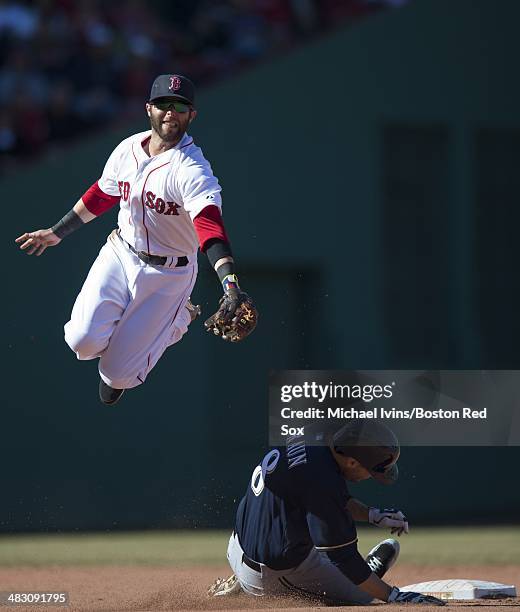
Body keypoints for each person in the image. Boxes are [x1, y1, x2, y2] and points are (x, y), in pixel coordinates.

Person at [16, 74, 255, 405]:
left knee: (116, 379)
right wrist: (57, 232)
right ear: (149, 109)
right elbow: (103, 193)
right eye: (164, 105)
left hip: (168, 275)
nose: (171, 112)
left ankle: (178, 319)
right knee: (80, 341)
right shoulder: (128, 148)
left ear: (192, 115)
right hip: (120, 253)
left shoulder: (192, 170)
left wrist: (230, 284)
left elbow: (210, 227)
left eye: (180, 106)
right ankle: (165, 321)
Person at [209, 419, 445, 606]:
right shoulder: (322, 480)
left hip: (238, 543)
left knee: (305, 530)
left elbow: (321, 500)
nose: (368, 478)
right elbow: (344, 558)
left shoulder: (314, 437)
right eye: (371, 472)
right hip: (268, 576)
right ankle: (248, 584)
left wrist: (373, 514)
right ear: (352, 462)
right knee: (362, 595)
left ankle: (242, 576)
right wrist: (394, 595)